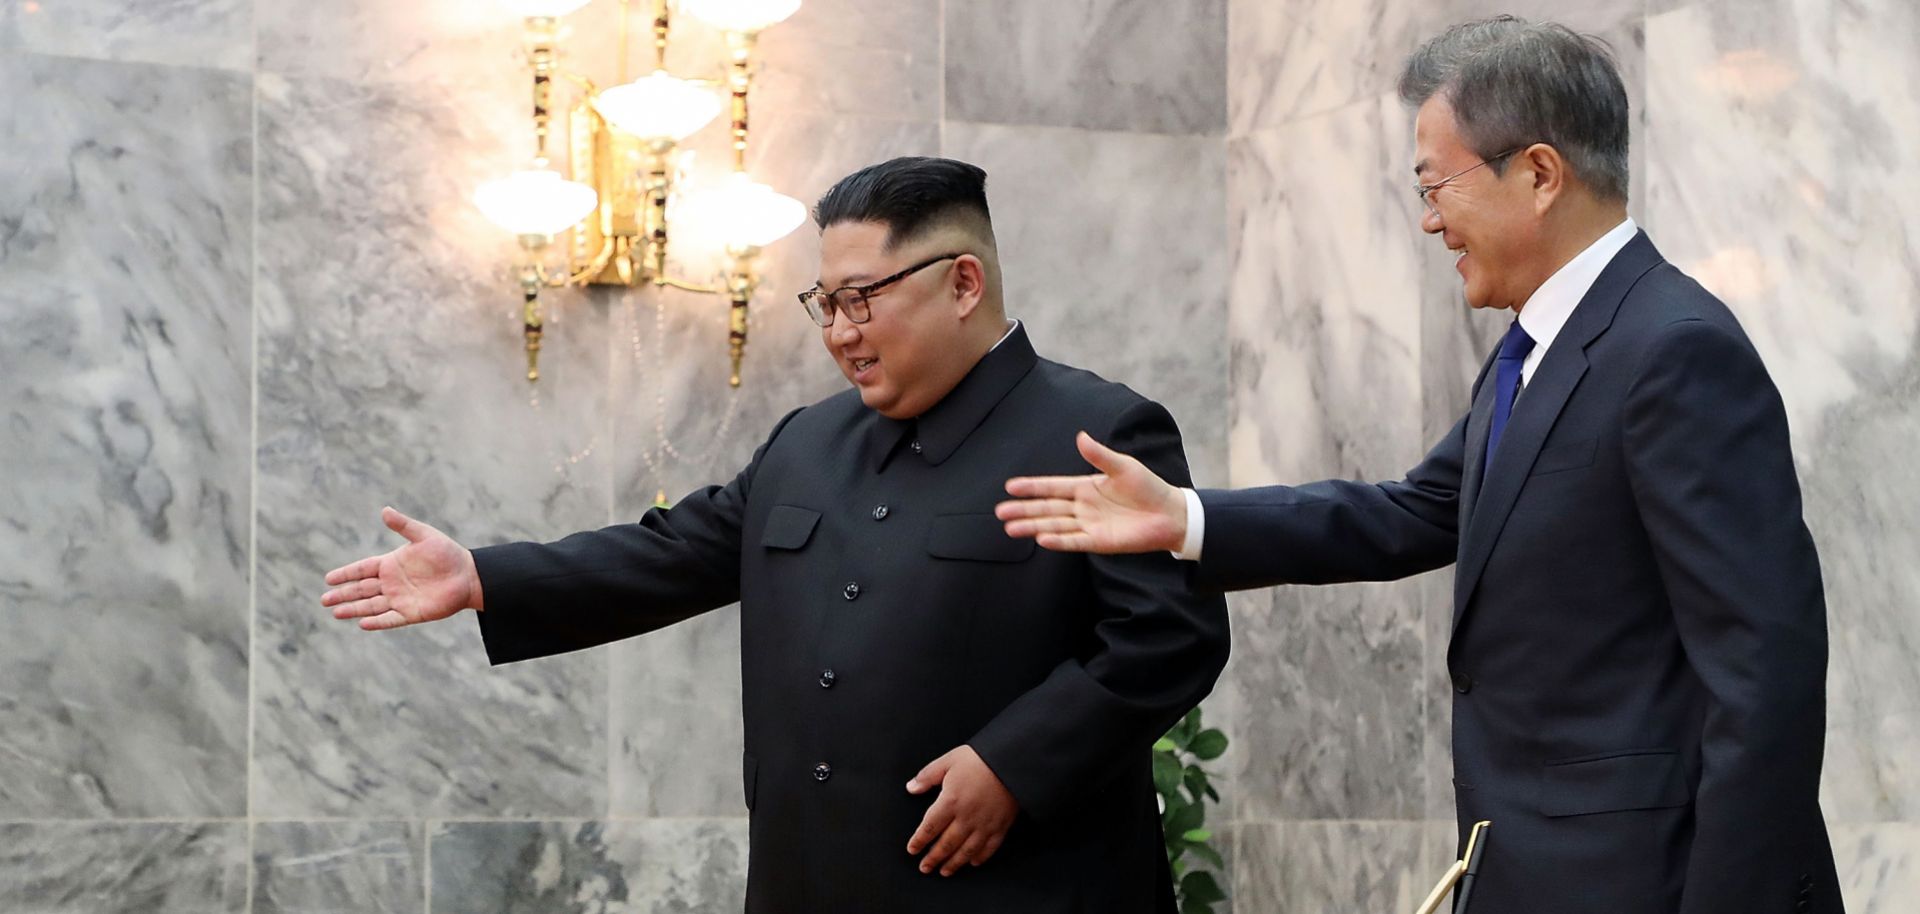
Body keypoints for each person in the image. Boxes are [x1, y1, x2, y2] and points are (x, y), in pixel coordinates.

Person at [995, 17, 1840, 914]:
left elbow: (1764, 671)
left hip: (1644, 879)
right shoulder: (1538, 346)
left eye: (1436, 185)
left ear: (1542, 174)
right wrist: (1188, 519)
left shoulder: (1673, 349)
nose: (1430, 219)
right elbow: (1416, 510)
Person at [321, 156, 1229, 913]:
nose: (839, 332)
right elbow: (674, 553)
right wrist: (482, 575)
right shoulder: (809, 441)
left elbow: (1170, 638)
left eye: (861, 300)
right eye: (824, 303)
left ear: (962, 283)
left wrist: (1014, 765)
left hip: (1023, 887)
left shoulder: (1099, 432)